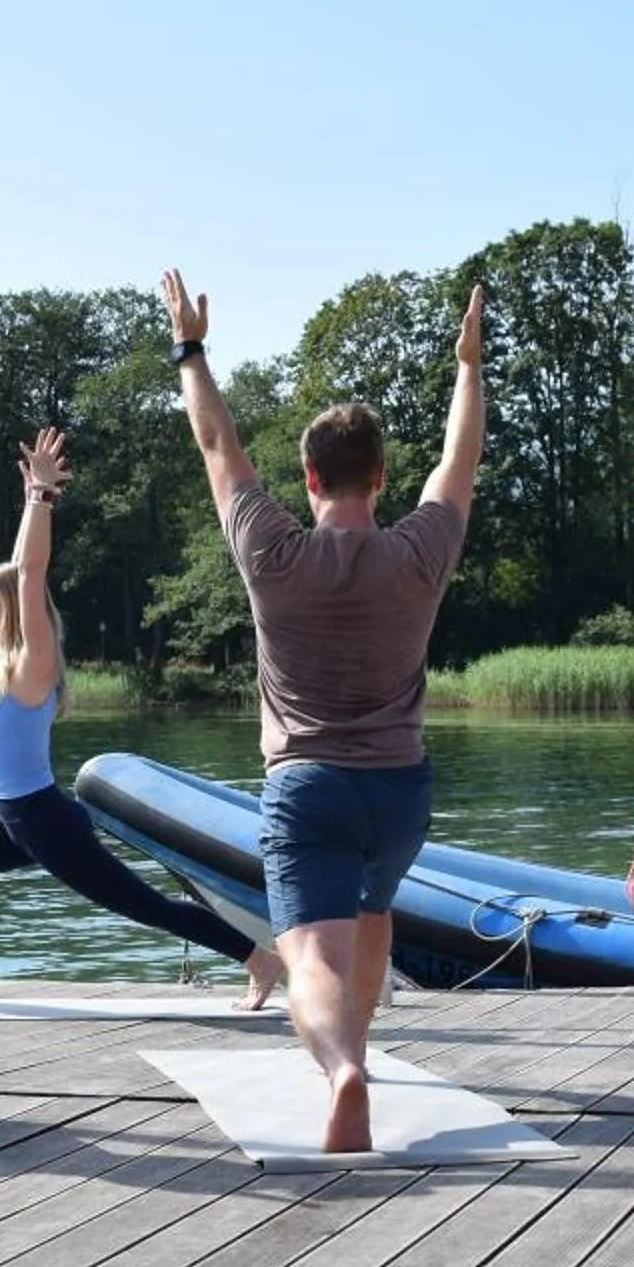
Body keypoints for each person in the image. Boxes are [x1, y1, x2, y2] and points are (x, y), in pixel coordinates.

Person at [161, 265, 485, 1153]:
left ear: (309, 477)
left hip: (306, 789)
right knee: (374, 909)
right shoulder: (420, 552)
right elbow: (459, 463)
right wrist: (468, 366)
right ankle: (363, 1053)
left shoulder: (273, 552)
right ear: (380, 476)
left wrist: (192, 350)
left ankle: (342, 1068)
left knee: (308, 955)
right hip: (401, 793)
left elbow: (217, 447)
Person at [0, 428, 281, 1013]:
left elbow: (29, 571)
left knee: (146, 907)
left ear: (14, 611)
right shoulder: (1, 667)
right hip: (18, 819)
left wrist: (38, 499)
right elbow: (19, 576)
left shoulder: (32, 663)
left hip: (45, 821)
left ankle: (258, 959)